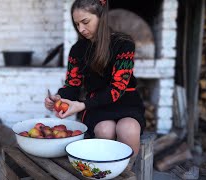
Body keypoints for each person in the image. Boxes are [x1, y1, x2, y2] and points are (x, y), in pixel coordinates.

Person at [44, 0, 146, 156]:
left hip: (126, 101)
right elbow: (72, 85)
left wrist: (82, 105)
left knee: (128, 129)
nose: (81, 29)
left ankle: (126, 174)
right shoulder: (77, 50)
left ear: (101, 17)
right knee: (104, 130)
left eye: (85, 22)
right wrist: (59, 98)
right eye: (77, 24)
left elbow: (117, 88)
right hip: (97, 107)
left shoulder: (124, 44)